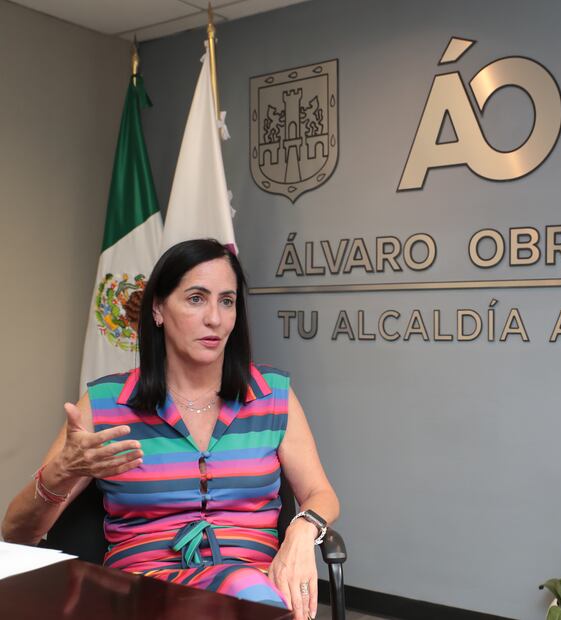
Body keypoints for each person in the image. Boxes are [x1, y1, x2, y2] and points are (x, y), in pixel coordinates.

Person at [2, 239, 338, 620]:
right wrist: (63, 471)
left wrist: (302, 531)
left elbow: (321, 494)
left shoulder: (272, 395)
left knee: (246, 586)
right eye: (196, 298)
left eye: (227, 301)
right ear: (158, 309)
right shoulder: (106, 403)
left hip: (254, 589)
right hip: (143, 595)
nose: (215, 318)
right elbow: (16, 533)